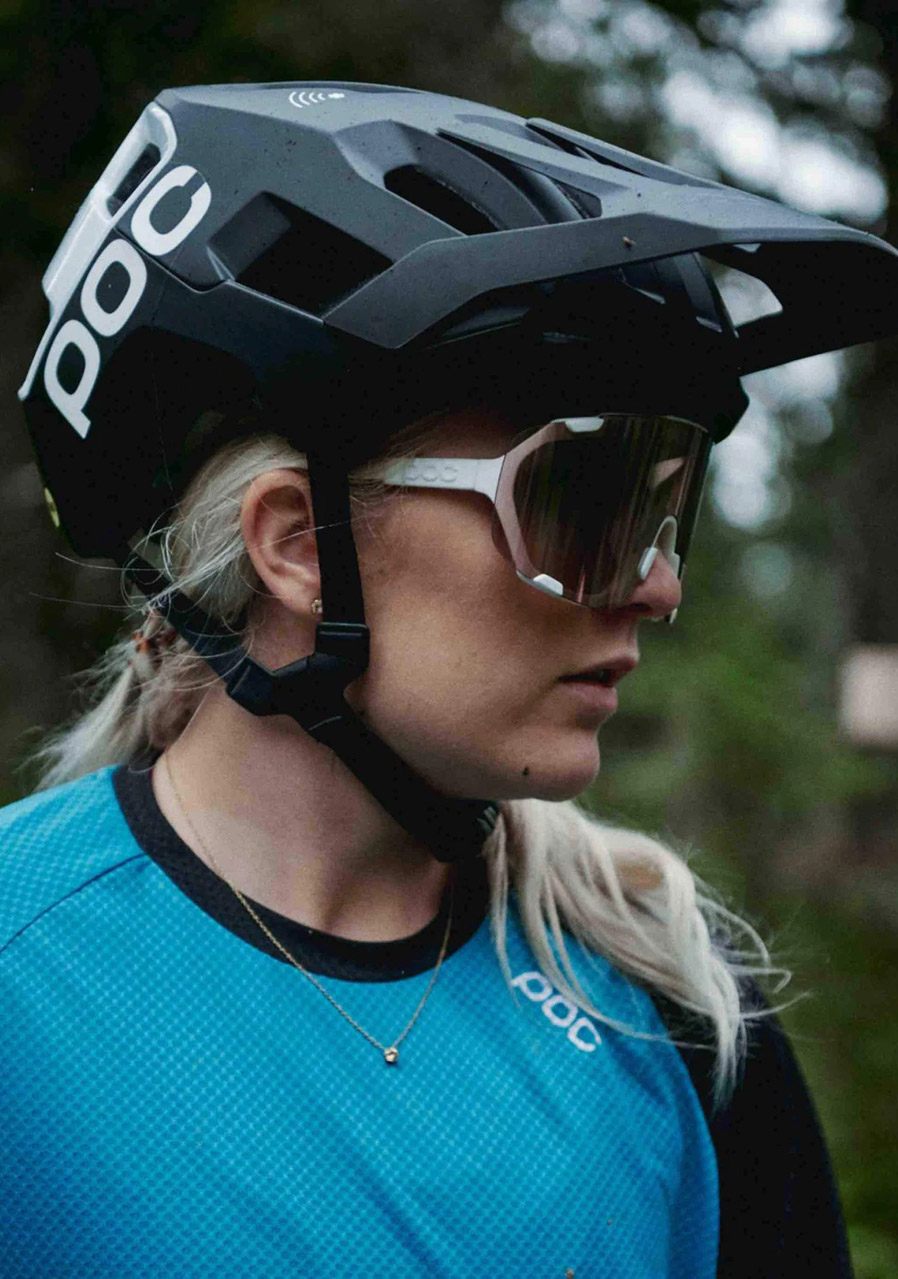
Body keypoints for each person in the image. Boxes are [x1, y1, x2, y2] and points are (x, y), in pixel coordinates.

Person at [5, 81, 893, 1278]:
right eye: (584, 499)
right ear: (300, 547)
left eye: (664, 512)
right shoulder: (23, 969)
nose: (657, 586)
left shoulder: (673, 1004)